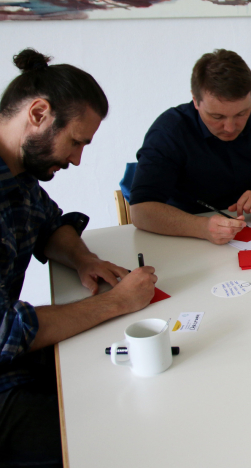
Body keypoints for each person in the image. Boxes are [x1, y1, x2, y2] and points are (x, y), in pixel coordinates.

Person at [0, 49, 157, 466]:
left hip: (18, 363)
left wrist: (83, 258)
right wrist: (116, 303)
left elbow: (50, 225)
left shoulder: (16, 174)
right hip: (5, 382)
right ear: (38, 113)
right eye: (75, 141)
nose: (76, 159)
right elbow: (7, 329)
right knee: (120, 440)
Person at [129, 49, 251, 245]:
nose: (230, 127)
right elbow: (141, 211)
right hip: (183, 234)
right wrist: (201, 227)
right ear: (195, 101)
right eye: (217, 117)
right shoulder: (169, 131)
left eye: (242, 113)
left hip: (247, 228)